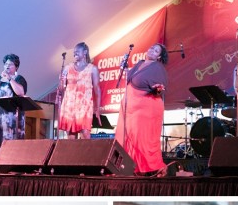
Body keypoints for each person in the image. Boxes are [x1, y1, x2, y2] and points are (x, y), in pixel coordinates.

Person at [115, 43, 168, 177]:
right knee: (126, 136)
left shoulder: (158, 68)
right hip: (130, 106)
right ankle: (128, 167)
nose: (152, 51)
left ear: (159, 56)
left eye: (156, 51)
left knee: (140, 139)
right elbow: (130, 78)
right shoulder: (140, 63)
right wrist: (124, 67)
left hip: (145, 108)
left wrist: (158, 88)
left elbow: (159, 88)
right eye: (151, 48)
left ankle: (146, 168)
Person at [0, 53, 28, 166]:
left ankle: (10, 165)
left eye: (10, 64)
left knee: (9, 142)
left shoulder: (19, 78)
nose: (7, 66)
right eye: (6, 64)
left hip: (11, 119)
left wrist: (10, 79)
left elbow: (21, 92)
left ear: (16, 67)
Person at [58, 42, 102, 139]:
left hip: (84, 107)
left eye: (77, 52)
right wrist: (61, 80)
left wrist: (97, 109)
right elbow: (61, 89)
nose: (75, 54)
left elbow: (97, 89)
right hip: (69, 107)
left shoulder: (92, 69)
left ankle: (88, 154)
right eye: (74, 52)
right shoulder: (68, 68)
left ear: (85, 52)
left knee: (85, 135)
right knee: (71, 138)